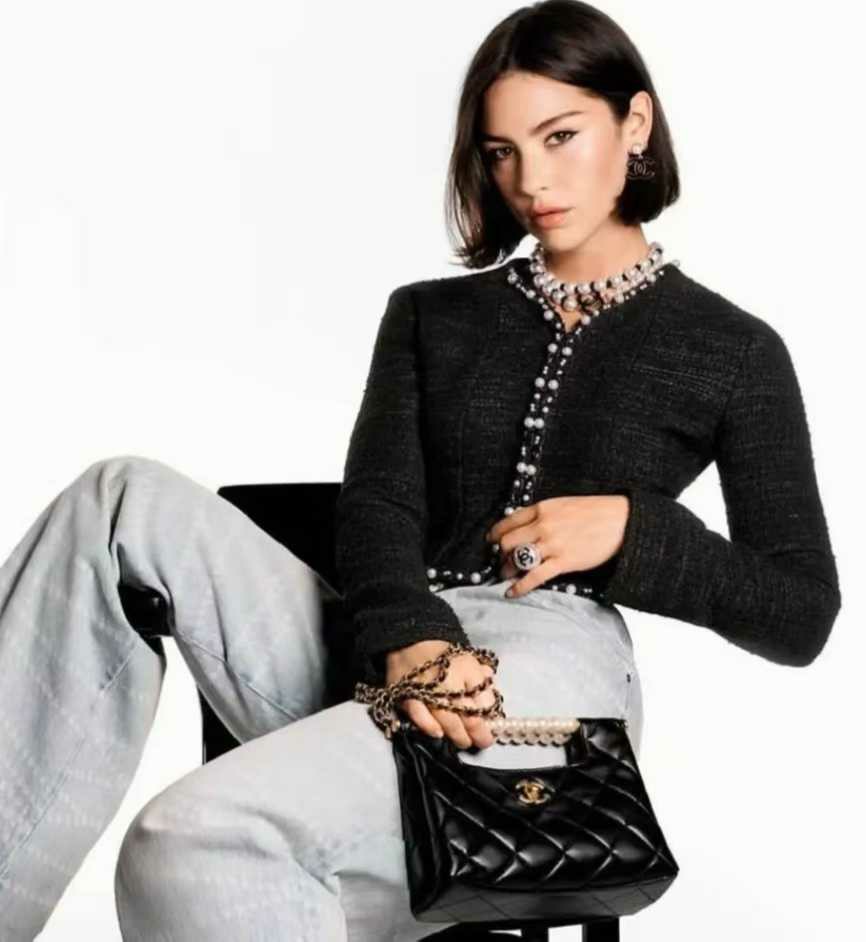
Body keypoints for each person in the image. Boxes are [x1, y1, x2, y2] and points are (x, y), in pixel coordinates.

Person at [0, 2, 840, 940]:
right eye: (501, 152)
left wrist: (634, 531)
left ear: (634, 124)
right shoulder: (429, 316)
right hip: (380, 642)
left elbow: (800, 610)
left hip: (548, 673)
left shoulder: (732, 349)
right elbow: (379, 506)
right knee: (120, 499)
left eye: (561, 136)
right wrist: (410, 634)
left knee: (191, 838)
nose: (531, 180)